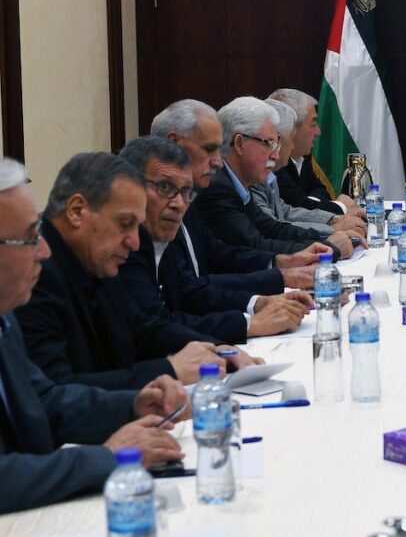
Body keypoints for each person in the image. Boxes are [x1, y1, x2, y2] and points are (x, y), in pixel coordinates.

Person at [0, 162, 189, 513]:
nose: (43, 251)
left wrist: (132, 405)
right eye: (28, 238)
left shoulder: (3, 316)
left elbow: (44, 400)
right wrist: (107, 457)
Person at [14, 153, 259, 390]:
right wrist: (169, 369)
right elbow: (54, 392)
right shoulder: (30, 276)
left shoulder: (94, 259)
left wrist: (215, 350)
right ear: (77, 211)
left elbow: (143, 330)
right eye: (124, 224)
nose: (134, 243)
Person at [118, 136, 311, 344]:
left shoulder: (160, 230)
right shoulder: (125, 247)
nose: (178, 204)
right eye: (164, 187)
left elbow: (188, 290)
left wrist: (258, 303)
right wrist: (250, 324)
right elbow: (152, 329)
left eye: (186, 192)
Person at [151, 98, 327, 295]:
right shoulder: (153, 208)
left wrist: (281, 263)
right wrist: (258, 306)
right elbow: (187, 292)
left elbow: (218, 254)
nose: (218, 161)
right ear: (174, 143)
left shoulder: (189, 197)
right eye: (209, 149)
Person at [193, 97, 354, 257]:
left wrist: (327, 236)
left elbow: (270, 228)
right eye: (268, 143)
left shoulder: (239, 184)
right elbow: (255, 245)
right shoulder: (217, 188)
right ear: (240, 144)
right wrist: (328, 247)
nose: (275, 155)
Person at [252, 99, 364, 237]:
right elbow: (273, 228)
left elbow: (285, 211)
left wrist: (334, 219)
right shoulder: (255, 177)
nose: (292, 146)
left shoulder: (268, 173)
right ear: (240, 144)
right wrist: (334, 229)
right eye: (270, 143)